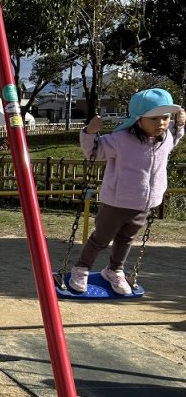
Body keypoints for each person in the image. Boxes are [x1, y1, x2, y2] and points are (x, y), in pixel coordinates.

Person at [67, 88, 184, 295]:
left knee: (126, 239)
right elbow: (94, 151)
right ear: (138, 119)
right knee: (101, 239)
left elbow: (174, 139)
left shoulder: (166, 137)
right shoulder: (120, 139)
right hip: (116, 202)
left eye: (166, 117)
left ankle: (114, 270)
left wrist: (180, 125)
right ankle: (81, 268)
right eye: (154, 118)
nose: (161, 123)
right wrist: (90, 132)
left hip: (145, 204)